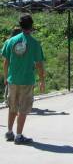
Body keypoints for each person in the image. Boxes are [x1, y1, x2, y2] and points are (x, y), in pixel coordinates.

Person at [2, 14, 45, 144]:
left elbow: (5, 62)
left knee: (12, 107)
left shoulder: (10, 41)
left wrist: (6, 77)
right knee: (23, 109)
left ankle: (9, 132)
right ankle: (19, 136)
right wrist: (42, 80)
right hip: (26, 80)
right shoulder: (34, 43)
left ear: (20, 26)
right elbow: (39, 64)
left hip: (12, 80)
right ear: (31, 26)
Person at [3, 27, 22, 104]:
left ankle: (7, 99)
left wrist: (5, 75)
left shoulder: (8, 41)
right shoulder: (22, 42)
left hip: (11, 66)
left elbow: (5, 58)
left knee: (9, 82)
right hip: (20, 66)